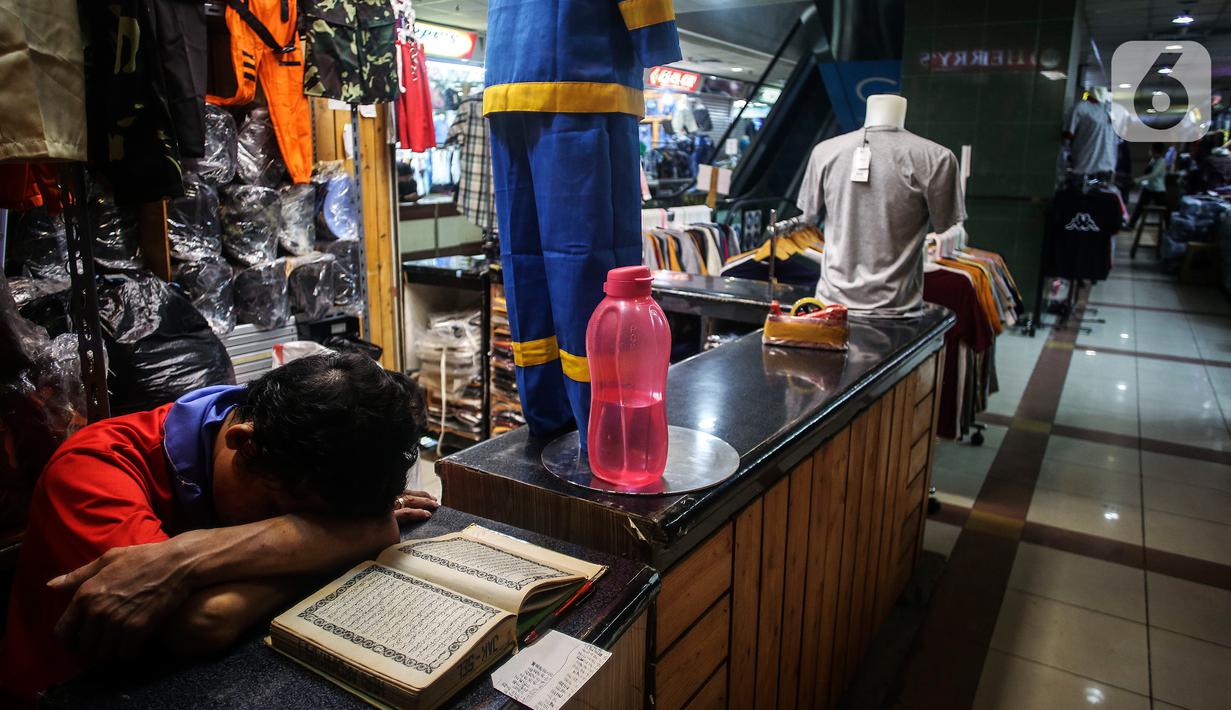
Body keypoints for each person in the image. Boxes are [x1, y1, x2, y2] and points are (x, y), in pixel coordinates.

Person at [0, 353, 437, 703]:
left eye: (315, 524)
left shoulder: (279, 439)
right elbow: (203, 619)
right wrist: (353, 540)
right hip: (70, 692)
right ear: (242, 442)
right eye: (281, 513)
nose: (286, 532)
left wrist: (184, 558)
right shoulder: (92, 468)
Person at [1128, 143, 1168, 229]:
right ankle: (1131, 225)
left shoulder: (1162, 162)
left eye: (1151, 149)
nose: (1150, 151)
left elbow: (1153, 175)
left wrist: (1137, 180)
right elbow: (1147, 173)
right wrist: (1141, 183)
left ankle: (1168, 228)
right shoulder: (1153, 160)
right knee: (1139, 207)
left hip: (1158, 190)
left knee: (1165, 210)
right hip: (1149, 188)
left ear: (1155, 151)